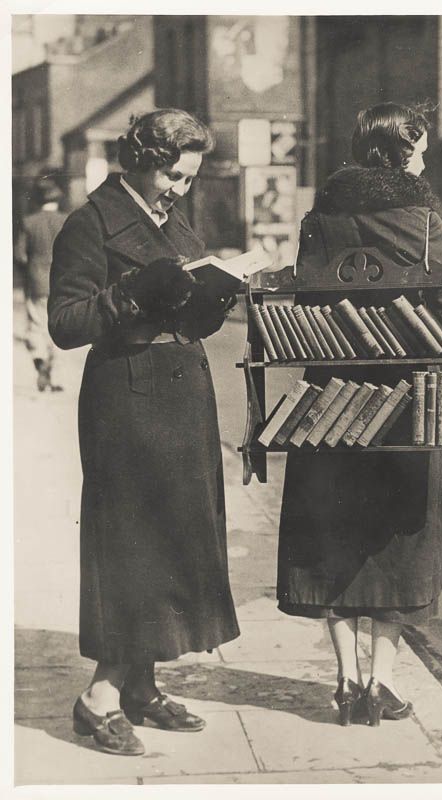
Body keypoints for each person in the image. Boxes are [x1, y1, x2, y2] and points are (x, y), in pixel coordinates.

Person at [48, 109, 242, 756]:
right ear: (139, 159)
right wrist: (131, 291)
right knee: (130, 544)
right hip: (126, 402)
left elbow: (185, 307)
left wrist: (213, 299)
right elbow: (66, 323)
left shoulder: (176, 222)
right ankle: (99, 696)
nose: (178, 190)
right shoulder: (89, 223)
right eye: (171, 177)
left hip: (183, 396)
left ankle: (142, 684)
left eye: (187, 179)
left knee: (177, 537)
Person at [276, 102, 442, 727]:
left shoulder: (320, 216)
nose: (427, 156)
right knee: (402, 545)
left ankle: (345, 681)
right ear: (403, 150)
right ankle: (380, 685)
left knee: (332, 536)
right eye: (422, 146)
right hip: (408, 400)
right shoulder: (424, 218)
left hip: (329, 402)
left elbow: (305, 297)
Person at [15, 177, 67, 391]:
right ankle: (51, 368)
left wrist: (28, 272)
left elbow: (20, 255)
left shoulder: (29, 222)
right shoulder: (66, 220)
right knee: (57, 325)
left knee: (37, 323)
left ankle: (40, 362)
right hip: (62, 282)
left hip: (37, 281)